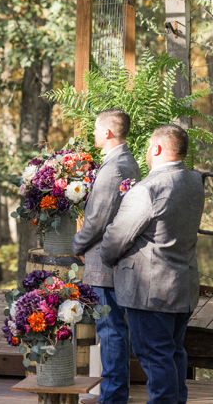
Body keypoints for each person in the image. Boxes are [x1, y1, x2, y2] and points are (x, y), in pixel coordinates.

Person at [100, 124, 204, 404]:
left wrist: (105, 256)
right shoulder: (195, 180)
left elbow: (116, 239)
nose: (146, 152)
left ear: (157, 149)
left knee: (155, 357)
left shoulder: (147, 190)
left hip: (150, 292)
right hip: (183, 285)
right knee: (173, 352)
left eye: (148, 147)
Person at [71, 109, 141, 404]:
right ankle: (114, 395)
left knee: (110, 329)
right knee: (112, 328)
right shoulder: (127, 162)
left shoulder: (114, 169)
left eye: (97, 129)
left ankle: (113, 398)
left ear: (108, 133)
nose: (94, 134)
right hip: (117, 257)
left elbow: (97, 220)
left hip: (104, 259)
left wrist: (76, 246)